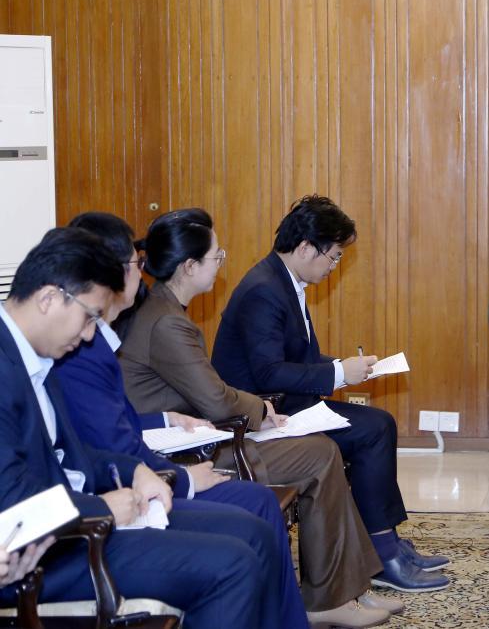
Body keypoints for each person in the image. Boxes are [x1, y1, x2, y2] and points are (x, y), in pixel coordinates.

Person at [116, 210, 401, 628]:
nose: (221, 263)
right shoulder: (167, 323)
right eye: (216, 256)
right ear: (189, 266)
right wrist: (260, 410)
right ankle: (330, 598)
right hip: (186, 451)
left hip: (197, 434)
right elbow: (215, 397)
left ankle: (348, 589)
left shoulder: (165, 310)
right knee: (319, 454)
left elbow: (211, 390)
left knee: (322, 450)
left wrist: (254, 410)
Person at [0, 227, 278, 628]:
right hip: (51, 553)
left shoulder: (34, 356)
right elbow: (13, 499)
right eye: (89, 317)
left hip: (81, 521)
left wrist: (136, 471)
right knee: (232, 565)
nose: (90, 334)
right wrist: (103, 508)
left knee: (252, 532)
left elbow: (71, 455)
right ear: (48, 299)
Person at [210, 195, 449, 592]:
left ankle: (386, 544)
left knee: (378, 424)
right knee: (374, 429)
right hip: (261, 417)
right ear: (306, 247)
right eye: (334, 256)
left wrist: (345, 369)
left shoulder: (284, 281)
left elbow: (297, 356)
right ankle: (382, 553)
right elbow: (268, 372)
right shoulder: (263, 290)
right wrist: (338, 373)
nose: (335, 266)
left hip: (285, 403)